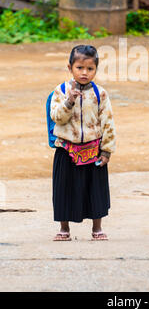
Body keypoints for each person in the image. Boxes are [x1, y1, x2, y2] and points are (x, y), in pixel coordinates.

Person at [50, 44, 116, 241]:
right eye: (80, 68)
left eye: (90, 69)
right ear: (70, 67)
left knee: (95, 190)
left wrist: (106, 151)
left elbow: (108, 122)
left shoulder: (100, 94)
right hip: (66, 149)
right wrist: (69, 101)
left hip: (93, 149)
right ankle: (64, 229)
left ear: (96, 69)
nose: (84, 73)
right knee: (64, 189)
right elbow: (57, 117)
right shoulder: (61, 91)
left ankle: (97, 228)